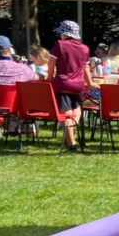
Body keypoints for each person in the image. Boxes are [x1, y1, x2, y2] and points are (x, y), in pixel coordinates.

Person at [47, 20, 94, 151]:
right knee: (77, 108)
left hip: (62, 83)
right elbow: (86, 67)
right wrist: (90, 82)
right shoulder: (84, 48)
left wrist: (49, 77)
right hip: (78, 84)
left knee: (66, 114)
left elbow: (51, 63)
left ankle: (71, 144)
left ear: (64, 33)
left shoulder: (60, 44)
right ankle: (73, 130)